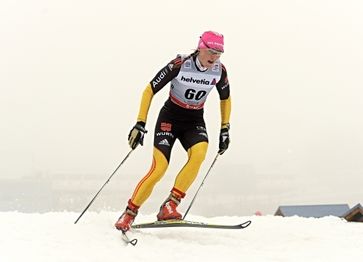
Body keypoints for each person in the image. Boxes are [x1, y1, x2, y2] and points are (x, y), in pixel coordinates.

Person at [115, 31, 231, 232]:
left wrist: (225, 128)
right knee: (159, 168)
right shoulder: (180, 64)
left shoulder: (219, 71)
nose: (214, 57)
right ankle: (129, 212)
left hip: (194, 120)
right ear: (200, 48)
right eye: (211, 51)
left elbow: (226, 98)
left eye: (219, 53)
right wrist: (140, 123)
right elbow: (149, 90)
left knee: (199, 155)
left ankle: (170, 205)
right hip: (170, 118)